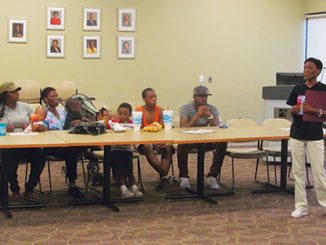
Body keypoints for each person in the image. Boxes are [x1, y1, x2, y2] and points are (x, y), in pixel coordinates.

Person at [287, 57, 326, 218]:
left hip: (315, 135)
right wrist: (294, 111)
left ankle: (324, 203)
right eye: (304, 67)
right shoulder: (297, 88)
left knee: (318, 172)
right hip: (297, 133)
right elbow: (290, 109)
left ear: (318, 70)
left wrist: (314, 111)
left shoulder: (323, 89)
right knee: (298, 172)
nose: (306, 70)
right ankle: (301, 206)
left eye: (309, 68)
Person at [0, 82, 46, 201]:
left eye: (17, 91)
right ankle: (15, 189)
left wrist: (37, 126)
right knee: (8, 158)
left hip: (26, 141)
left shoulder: (25, 106)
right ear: (5, 95)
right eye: (13, 92)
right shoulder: (1, 108)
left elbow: (36, 121)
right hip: (8, 144)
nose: (17, 94)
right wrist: (4, 128)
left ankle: (30, 188)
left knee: (40, 155)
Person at [177, 85, 227, 190]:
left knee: (222, 142)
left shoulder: (212, 108)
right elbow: (183, 128)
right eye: (201, 96)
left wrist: (209, 115)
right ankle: (183, 177)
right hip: (190, 139)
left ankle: (212, 176)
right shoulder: (185, 108)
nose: (204, 99)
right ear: (194, 96)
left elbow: (216, 127)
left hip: (207, 139)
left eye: (206, 96)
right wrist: (197, 116)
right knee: (181, 145)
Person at [40, 87, 86, 198]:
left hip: (67, 142)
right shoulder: (43, 113)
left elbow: (70, 124)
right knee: (72, 153)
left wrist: (79, 121)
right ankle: (72, 185)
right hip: (51, 145)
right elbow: (42, 131)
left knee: (73, 148)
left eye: (57, 96)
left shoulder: (63, 112)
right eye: (53, 96)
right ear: (46, 99)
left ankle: (85, 151)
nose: (56, 98)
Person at [136, 88, 174, 190]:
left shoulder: (161, 111)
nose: (154, 99)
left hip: (158, 139)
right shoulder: (138, 111)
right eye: (151, 97)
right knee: (148, 147)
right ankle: (164, 175)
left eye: (155, 96)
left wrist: (161, 141)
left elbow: (161, 129)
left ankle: (163, 178)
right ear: (144, 99)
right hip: (143, 141)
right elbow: (138, 130)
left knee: (169, 147)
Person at [110, 103, 143, 198]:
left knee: (129, 169)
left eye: (125, 114)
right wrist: (109, 117)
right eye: (120, 113)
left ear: (130, 115)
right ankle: (123, 189)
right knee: (119, 167)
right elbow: (104, 126)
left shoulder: (132, 125)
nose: (122, 116)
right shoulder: (114, 123)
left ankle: (134, 187)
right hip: (115, 150)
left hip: (127, 150)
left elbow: (138, 132)